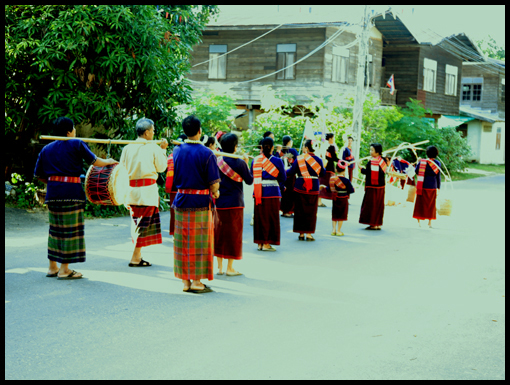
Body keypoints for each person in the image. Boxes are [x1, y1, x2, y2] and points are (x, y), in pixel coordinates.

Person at [34, 117, 118, 279]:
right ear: (68, 132)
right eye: (74, 129)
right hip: (71, 194)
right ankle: (64, 270)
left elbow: (39, 175)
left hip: (53, 195)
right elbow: (95, 162)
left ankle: (52, 267)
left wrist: (55, 182)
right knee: (70, 231)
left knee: (55, 231)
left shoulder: (46, 149)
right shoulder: (77, 144)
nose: (75, 132)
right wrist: (109, 161)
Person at [172, 116, 221, 293]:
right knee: (199, 243)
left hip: (181, 201)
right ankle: (197, 282)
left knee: (182, 241)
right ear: (200, 131)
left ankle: (185, 282)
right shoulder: (207, 153)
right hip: (200, 203)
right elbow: (214, 183)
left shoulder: (176, 151)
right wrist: (215, 191)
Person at [120, 118, 168, 267]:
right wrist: (163, 149)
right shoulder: (153, 148)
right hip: (147, 191)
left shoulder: (127, 148)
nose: (154, 133)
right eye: (153, 131)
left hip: (131, 191)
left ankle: (138, 255)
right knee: (142, 224)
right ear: (147, 133)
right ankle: (135, 257)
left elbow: (121, 170)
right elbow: (161, 168)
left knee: (137, 223)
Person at [214, 133, 253, 275]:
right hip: (235, 203)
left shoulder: (217, 161)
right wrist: (247, 164)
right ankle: (230, 268)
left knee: (219, 233)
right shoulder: (240, 163)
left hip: (219, 202)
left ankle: (219, 267)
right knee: (233, 235)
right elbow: (249, 181)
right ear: (235, 147)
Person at [250, 137, 286, 251]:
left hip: (258, 192)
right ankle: (266, 243)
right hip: (272, 192)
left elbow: (252, 175)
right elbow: (283, 177)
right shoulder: (277, 161)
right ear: (272, 148)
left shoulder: (256, 160)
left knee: (260, 217)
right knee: (270, 217)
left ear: (261, 147)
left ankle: (260, 243)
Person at [286, 139, 325, 241]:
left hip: (300, 186)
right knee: (311, 211)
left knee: (299, 210)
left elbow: (291, 172)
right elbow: (323, 174)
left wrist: (283, 170)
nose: (303, 148)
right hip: (313, 187)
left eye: (304, 146)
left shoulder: (299, 159)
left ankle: (301, 233)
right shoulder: (319, 160)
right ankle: (309, 234)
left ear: (307, 148)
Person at [321, 160, 355, 236]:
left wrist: (323, 186)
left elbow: (329, 189)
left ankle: (333, 230)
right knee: (341, 215)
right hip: (343, 199)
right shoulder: (346, 180)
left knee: (335, 214)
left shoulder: (333, 179)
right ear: (344, 170)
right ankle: (339, 231)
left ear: (336, 170)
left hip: (335, 198)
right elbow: (351, 190)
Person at [358, 143, 387, 230]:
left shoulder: (372, 162)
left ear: (377, 152)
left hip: (372, 187)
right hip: (381, 186)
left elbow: (367, 172)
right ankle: (377, 223)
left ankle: (373, 224)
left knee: (371, 205)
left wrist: (360, 167)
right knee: (378, 205)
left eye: (372, 150)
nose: (370, 152)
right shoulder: (383, 161)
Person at [413, 145, 441, 228]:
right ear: (436, 154)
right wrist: (438, 187)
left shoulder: (422, 162)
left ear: (427, 153)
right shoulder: (437, 163)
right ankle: (430, 222)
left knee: (420, 204)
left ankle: (418, 222)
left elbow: (416, 171)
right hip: (432, 186)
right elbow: (438, 176)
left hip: (422, 186)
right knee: (431, 205)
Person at [165, 134, 187, 237]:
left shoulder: (171, 155)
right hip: (183, 186)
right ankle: (181, 234)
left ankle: (175, 233)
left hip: (174, 187)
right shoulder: (186, 154)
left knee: (174, 212)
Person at [278, 135, 299, 218]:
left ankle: (284, 210)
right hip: (290, 174)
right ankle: (289, 211)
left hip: (282, 174)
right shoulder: (292, 151)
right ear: (289, 142)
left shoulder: (280, 151)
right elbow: (298, 161)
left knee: (284, 192)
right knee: (290, 193)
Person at [318, 133, 339, 206]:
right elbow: (334, 158)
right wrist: (342, 162)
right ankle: (336, 200)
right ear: (330, 138)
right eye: (333, 138)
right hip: (329, 167)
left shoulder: (323, 146)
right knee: (330, 184)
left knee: (321, 182)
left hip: (323, 167)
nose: (333, 140)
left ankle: (319, 200)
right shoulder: (331, 147)